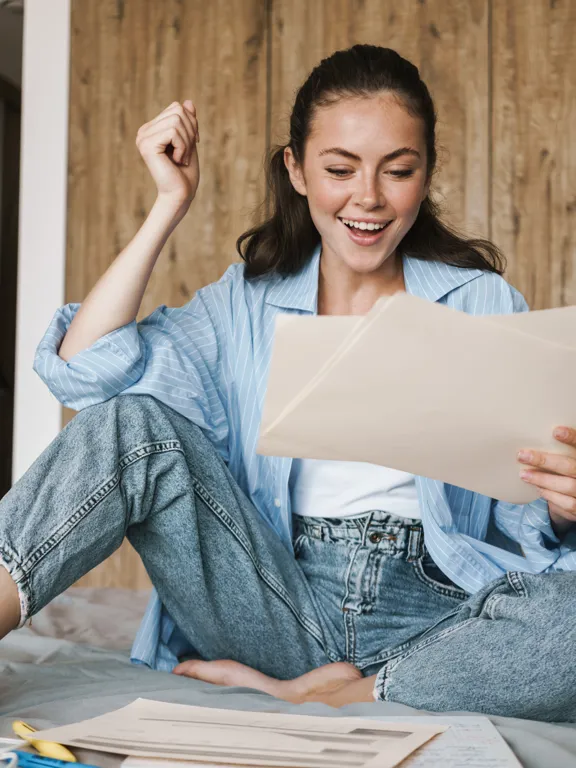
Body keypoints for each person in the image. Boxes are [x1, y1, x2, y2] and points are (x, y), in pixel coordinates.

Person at [1, 44, 575, 721]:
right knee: (133, 423)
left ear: (426, 174)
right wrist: (168, 203)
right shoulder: (244, 305)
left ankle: (338, 693)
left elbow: (521, 524)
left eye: (399, 171)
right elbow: (82, 371)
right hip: (274, 604)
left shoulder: (483, 301)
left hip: (436, 617)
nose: (368, 198)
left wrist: (562, 503)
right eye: (340, 169)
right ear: (297, 170)